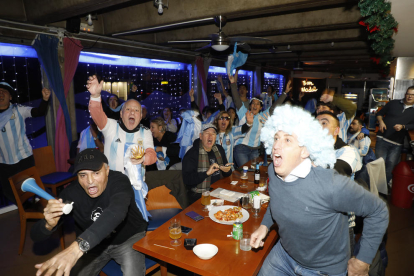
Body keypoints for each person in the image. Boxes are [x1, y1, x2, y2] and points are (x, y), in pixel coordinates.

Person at [251, 105, 389, 276]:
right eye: (276, 138)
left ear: (305, 151)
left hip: (323, 269)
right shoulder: (273, 169)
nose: (276, 146)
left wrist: (363, 260)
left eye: (287, 140)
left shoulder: (329, 183)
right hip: (285, 254)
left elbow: (378, 210)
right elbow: (278, 199)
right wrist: (264, 226)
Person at [31, 149, 147, 276]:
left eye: (96, 173)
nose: (90, 181)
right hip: (94, 247)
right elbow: (35, 236)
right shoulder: (71, 193)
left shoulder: (119, 181)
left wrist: (78, 247)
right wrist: (48, 224)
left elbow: (116, 212)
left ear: (107, 170)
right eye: (83, 175)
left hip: (128, 238)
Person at [86, 75, 156, 173]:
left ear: (140, 116)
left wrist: (143, 158)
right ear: (121, 114)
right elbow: (98, 116)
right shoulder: (111, 126)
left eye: (136, 110)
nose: (132, 112)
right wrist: (95, 97)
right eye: (128, 109)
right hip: (112, 183)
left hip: (135, 186)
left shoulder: (145, 131)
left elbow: (152, 155)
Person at [0, 82, 50, 204]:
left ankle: (48, 208)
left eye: (4, 91)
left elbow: (38, 112)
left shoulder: (18, 110)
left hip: (24, 159)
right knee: (8, 191)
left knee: (33, 188)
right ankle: (26, 209)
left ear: (10, 97)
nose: (1, 93)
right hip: (3, 162)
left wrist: (45, 100)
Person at [229, 73, 289, 168]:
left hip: (255, 151)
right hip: (241, 148)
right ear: (250, 106)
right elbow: (236, 100)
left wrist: (285, 93)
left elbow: (274, 107)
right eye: (253, 103)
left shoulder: (262, 116)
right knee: (246, 172)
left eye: (257, 104)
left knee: (254, 174)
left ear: (261, 107)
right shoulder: (244, 112)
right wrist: (233, 84)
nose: (255, 105)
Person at [182, 123, 232, 204]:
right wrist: (206, 173)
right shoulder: (192, 154)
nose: (210, 136)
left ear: (215, 137)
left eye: (213, 133)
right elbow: (187, 180)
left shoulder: (219, 149)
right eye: (207, 133)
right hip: (199, 195)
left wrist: (227, 170)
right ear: (201, 136)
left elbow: (227, 174)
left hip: (219, 191)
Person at [375, 86, 414, 185]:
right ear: (405, 94)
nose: (410, 96)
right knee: (379, 163)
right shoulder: (393, 103)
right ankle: (374, 186)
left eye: (413, 95)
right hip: (382, 138)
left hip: (397, 142)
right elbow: (379, 113)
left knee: (391, 166)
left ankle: (383, 187)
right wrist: (381, 122)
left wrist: (403, 126)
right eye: (408, 93)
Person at [317, 111, 362, 178]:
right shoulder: (309, 148)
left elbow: (334, 173)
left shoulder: (348, 152)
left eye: (324, 123)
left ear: (336, 131)